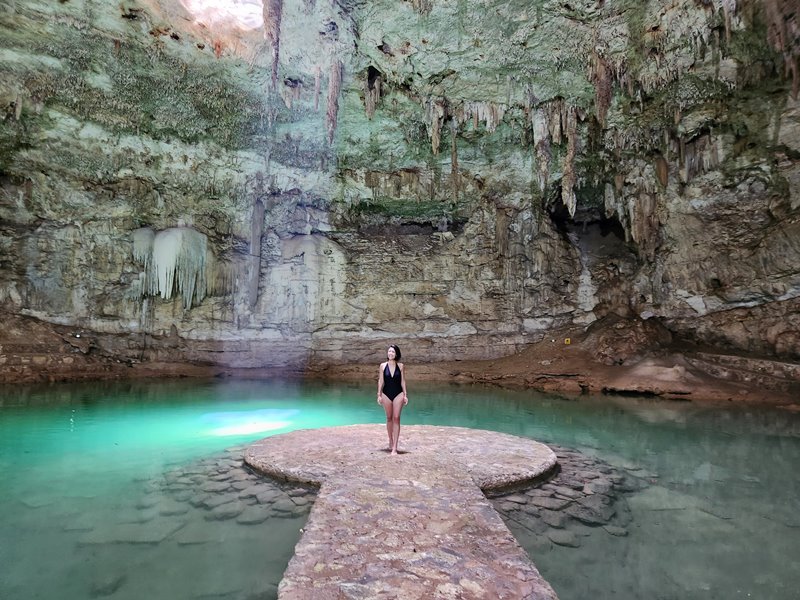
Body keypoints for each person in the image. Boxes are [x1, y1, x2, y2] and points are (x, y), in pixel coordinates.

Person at [377, 344, 408, 455]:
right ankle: (390, 440)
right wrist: (379, 394)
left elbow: (403, 381)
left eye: (393, 352)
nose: (390, 353)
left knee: (396, 417)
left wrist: (405, 394)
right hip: (386, 394)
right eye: (389, 351)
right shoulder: (382, 366)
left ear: (396, 354)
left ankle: (395, 447)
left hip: (398, 394)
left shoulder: (401, 366)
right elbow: (381, 381)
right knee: (389, 417)